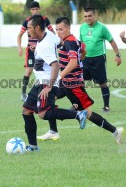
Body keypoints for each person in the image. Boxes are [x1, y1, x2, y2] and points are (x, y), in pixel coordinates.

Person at [37, 17, 124, 143]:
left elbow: (72, 63)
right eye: (57, 30)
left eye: (61, 29)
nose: (58, 32)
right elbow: (83, 50)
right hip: (65, 83)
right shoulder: (72, 41)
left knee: (87, 113)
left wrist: (59, 77)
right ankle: (53, 131)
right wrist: (80, 58)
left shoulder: (69, 42)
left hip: (73, 85)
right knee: (49, 99)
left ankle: (116, 131)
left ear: (68, 28)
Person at [22, 15, 88, 152]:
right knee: (26, 111)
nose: (27, 31)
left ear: (37, 27)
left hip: (46, 82)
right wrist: (38, 49)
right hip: (39, 82)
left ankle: (78, 115)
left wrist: (50, 86)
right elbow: (61, 44)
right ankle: (33, 147)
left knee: (44, 114)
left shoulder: (45, 45)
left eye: (29, 28)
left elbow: (55, 65)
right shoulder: (49, 36)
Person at [80, 7, 122, 113]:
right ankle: (81, 104)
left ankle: (106, 106)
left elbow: (111, 41)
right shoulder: (82, 28)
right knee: (80, 82)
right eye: (85, 16)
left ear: (94, 15)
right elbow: (81, 44)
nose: (87, 18)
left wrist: (118, 55)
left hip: (98, 59)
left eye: (89, 16)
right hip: (85, 59)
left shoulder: (102, 28)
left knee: (102, 83)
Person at [17, 1, 55, 101]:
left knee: (44, 70)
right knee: (28, 71)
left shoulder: (44, 20)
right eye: (33, 9)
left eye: (36, 9)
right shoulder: (27, 21)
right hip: (30, 50)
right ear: (30, 10)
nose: (35, 11)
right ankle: (23, 94)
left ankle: (48, 90)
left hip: (42, 50)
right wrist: (20, 48)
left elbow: (52, 32)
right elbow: (19, 35)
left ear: (39, 9)